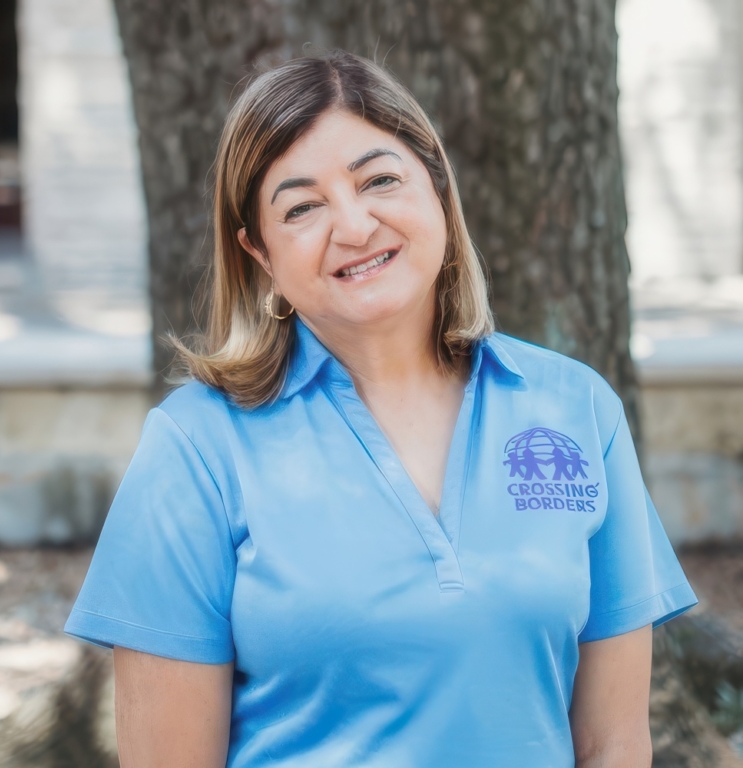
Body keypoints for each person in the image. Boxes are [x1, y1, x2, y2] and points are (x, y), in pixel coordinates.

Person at [65, 50, 697, 768]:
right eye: (302, 207)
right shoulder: (195, 448)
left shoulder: (577, 409)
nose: (355, 225)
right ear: (259, 254)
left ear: (437, 188)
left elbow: (613, 743)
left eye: (380, 180)